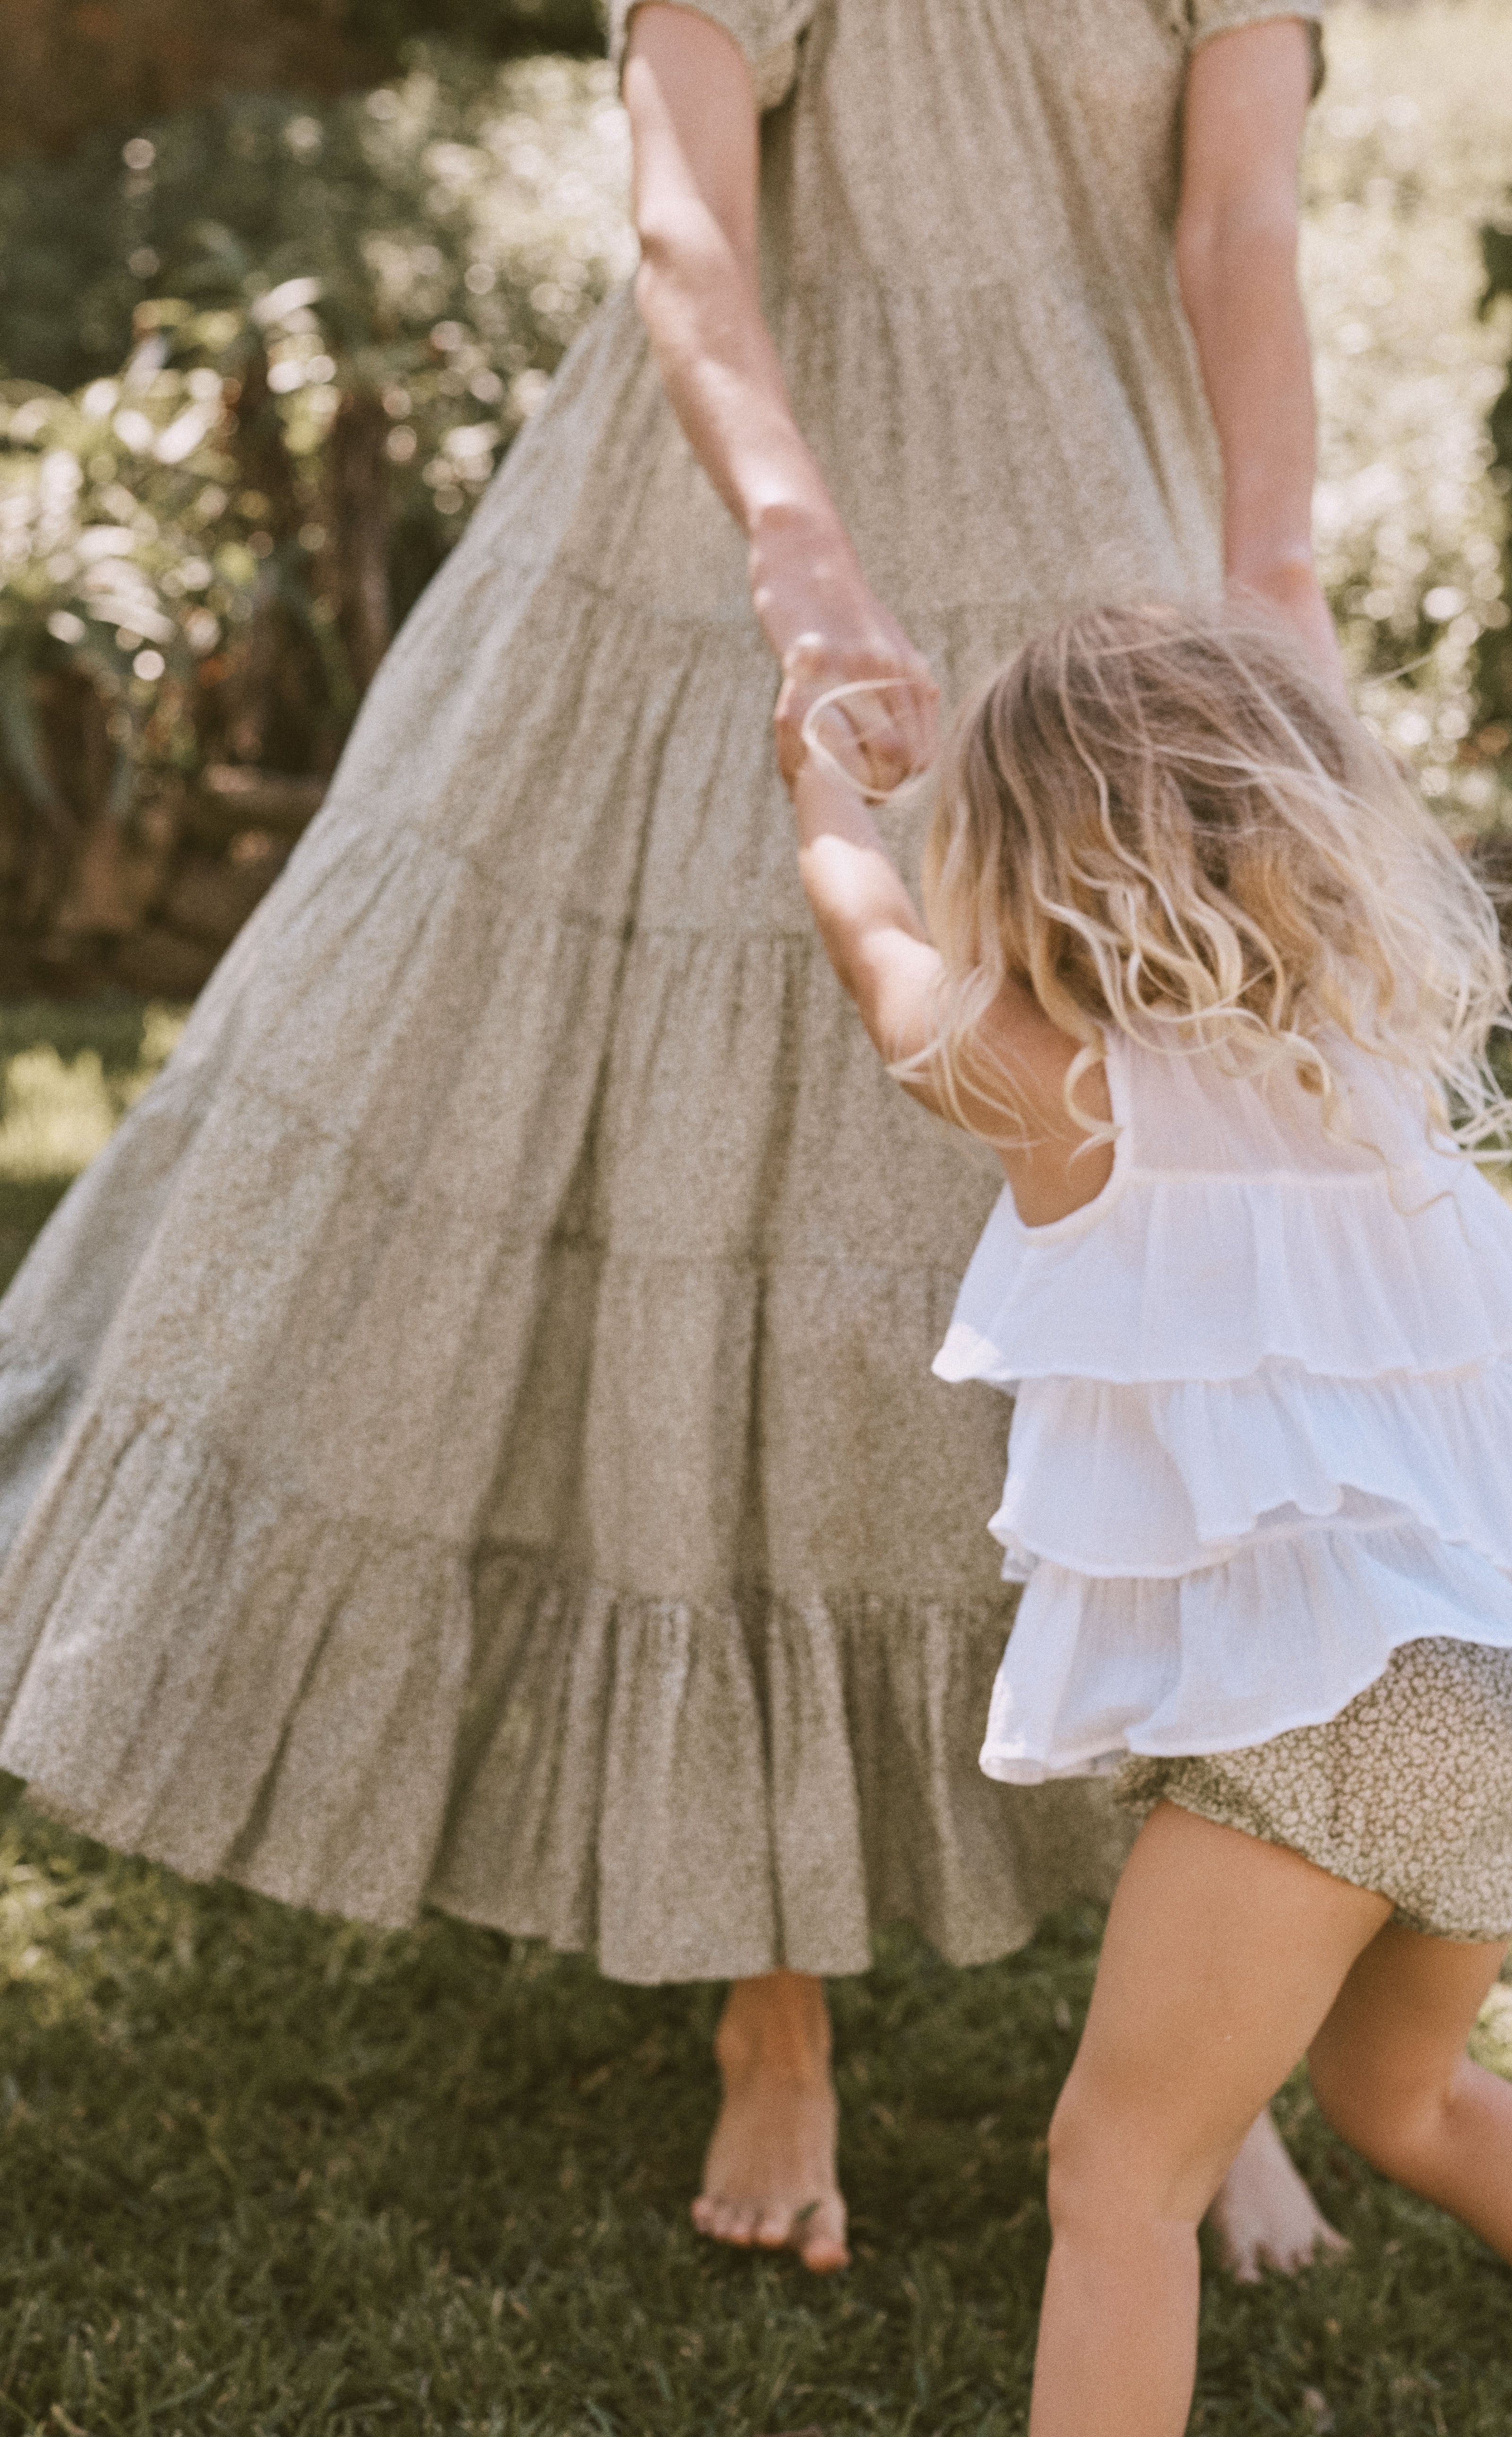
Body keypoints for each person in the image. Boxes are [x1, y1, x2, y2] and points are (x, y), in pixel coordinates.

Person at [0, 2, 1341, 2276]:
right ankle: (771, 2002)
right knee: (722, 1208)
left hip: (1090, 591)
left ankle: (1195, 2023)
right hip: (727, 561)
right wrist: (801, 566)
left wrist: (1275, 592)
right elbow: (684, 221)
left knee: (1171, 1284)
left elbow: (1241, 224)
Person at [778, 604, 1512, 2437]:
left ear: (1039, 866)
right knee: (1402, 2092)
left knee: (1122, 2171)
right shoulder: (1365, 1069)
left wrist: (824, 778)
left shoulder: (1065, 1093)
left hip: (1338, 1702)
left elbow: (868, 948)